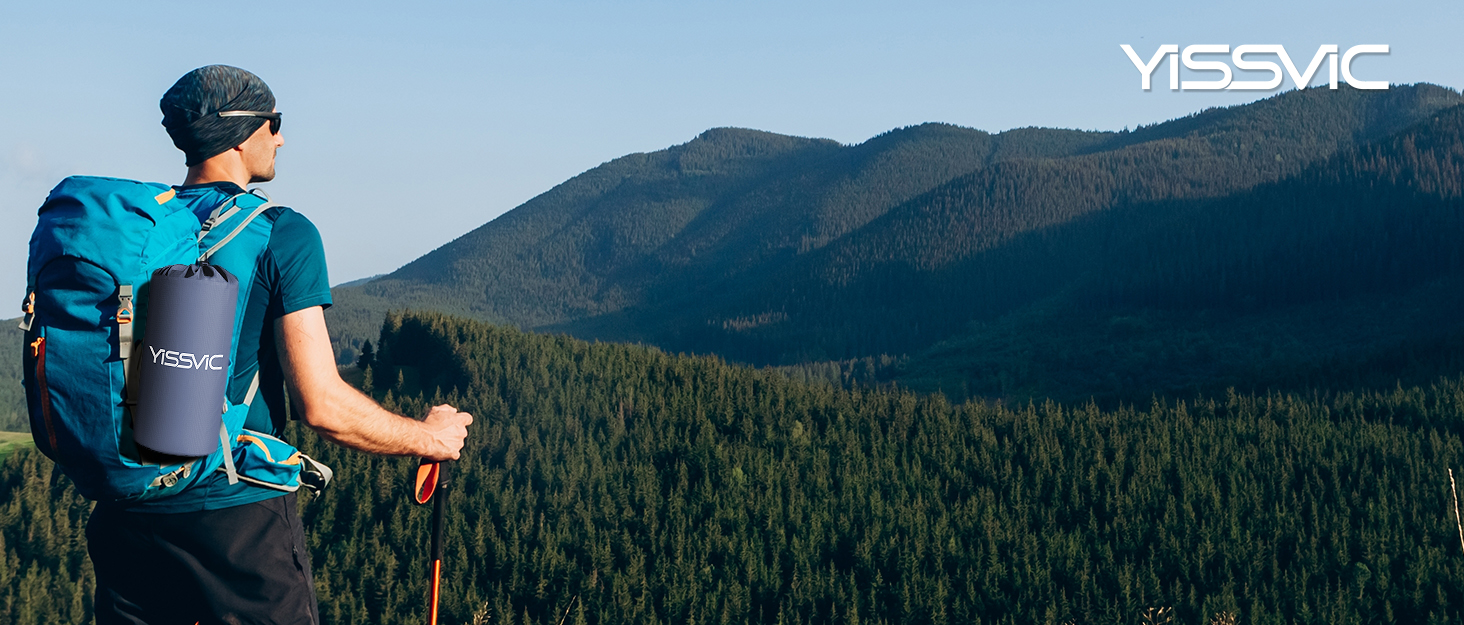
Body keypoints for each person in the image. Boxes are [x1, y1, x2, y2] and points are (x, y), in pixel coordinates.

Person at [85, 65, 473, 625]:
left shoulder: (140, 231)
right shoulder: (281, 232)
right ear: (243, 134)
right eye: (275, 122)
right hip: (235, 520)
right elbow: (323, 406)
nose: (282, 137)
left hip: (127, 513)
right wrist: (428, 438)